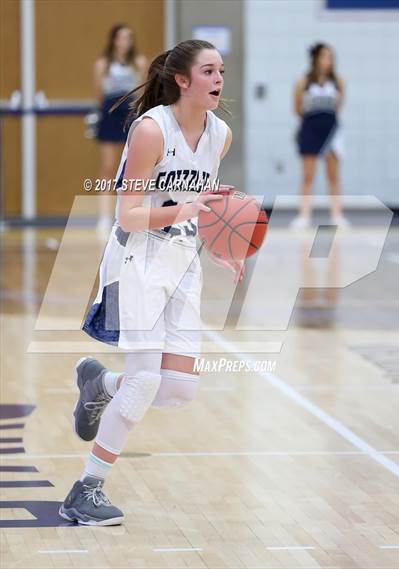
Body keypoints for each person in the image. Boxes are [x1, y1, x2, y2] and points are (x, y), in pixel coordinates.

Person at [59, 39, 244, 526]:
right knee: (144, 380)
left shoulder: (219, 133)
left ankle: (100, 383)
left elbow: (205, 204)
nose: (219, 79)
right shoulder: (150, 129)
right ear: (182, 80)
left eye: (221, 70)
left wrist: (226, 247)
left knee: (178, 389)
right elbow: (129, 214)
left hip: (183, 259)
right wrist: (184, 210)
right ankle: (85, 489)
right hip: (137, 257)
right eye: (208, 70)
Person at [94, 24, 148, 234]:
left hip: (130, 113)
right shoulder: (103, 64)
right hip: (110, 112)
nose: (125, 42)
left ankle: (131, 212)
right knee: (108, 167)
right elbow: (99, 94)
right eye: (121, 38)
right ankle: (104, 216)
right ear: (114, 40)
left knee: (133, 168)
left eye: (129, 38)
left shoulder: (139, 62)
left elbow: (142, 90)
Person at [291, 43, 349, 229]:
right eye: (324, 56)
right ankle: (304, 216)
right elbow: (297, 108)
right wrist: (312, 123)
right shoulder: (303, 81)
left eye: (330, 57)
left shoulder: (339, 81)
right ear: (315, 58)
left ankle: (337, 216)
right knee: (308, 176)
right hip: (310, 129)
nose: (328, 60)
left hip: (332, 131)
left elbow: (339, 107)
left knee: (333, 176)